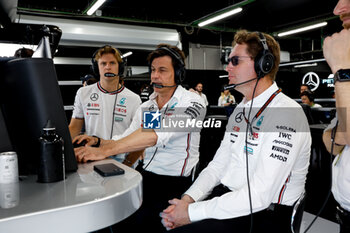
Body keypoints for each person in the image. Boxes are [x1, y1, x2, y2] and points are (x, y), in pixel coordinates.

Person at [160, 30, 311, 233]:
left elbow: (258, 195)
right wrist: (187, 200)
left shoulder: (287, 113)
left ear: (262, 64)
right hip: (230, 201)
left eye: (235, 61)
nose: (227, 67)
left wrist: (191, 213)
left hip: (265, 214)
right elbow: (218, 165)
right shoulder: (241, 109)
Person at [73, 44, 206, 233]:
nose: (154, 76)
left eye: (162, 70)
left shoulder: (193, 102)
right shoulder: (148, 107)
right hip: (146, 177)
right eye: (152, 70)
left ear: (178, 74)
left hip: (176, 183)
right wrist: (98, 141)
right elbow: (127, 137)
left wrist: (105, 150)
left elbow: (157, 134)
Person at [69, 45, 141, 162]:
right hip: (91, 155)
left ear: (120, 68)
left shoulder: (134, 99)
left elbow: (140, 136)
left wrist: (128, 163)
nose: (108, 67)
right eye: (103, 63)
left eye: (112, 63)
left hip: (121, 159)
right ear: (96, 68)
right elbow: (74, 128)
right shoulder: (83, 93)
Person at [322, 0, 350, 232]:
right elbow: (329, 140)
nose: (338, 9)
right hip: (343, 213)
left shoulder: (345, 75)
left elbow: (346, 135)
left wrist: (343, 70)